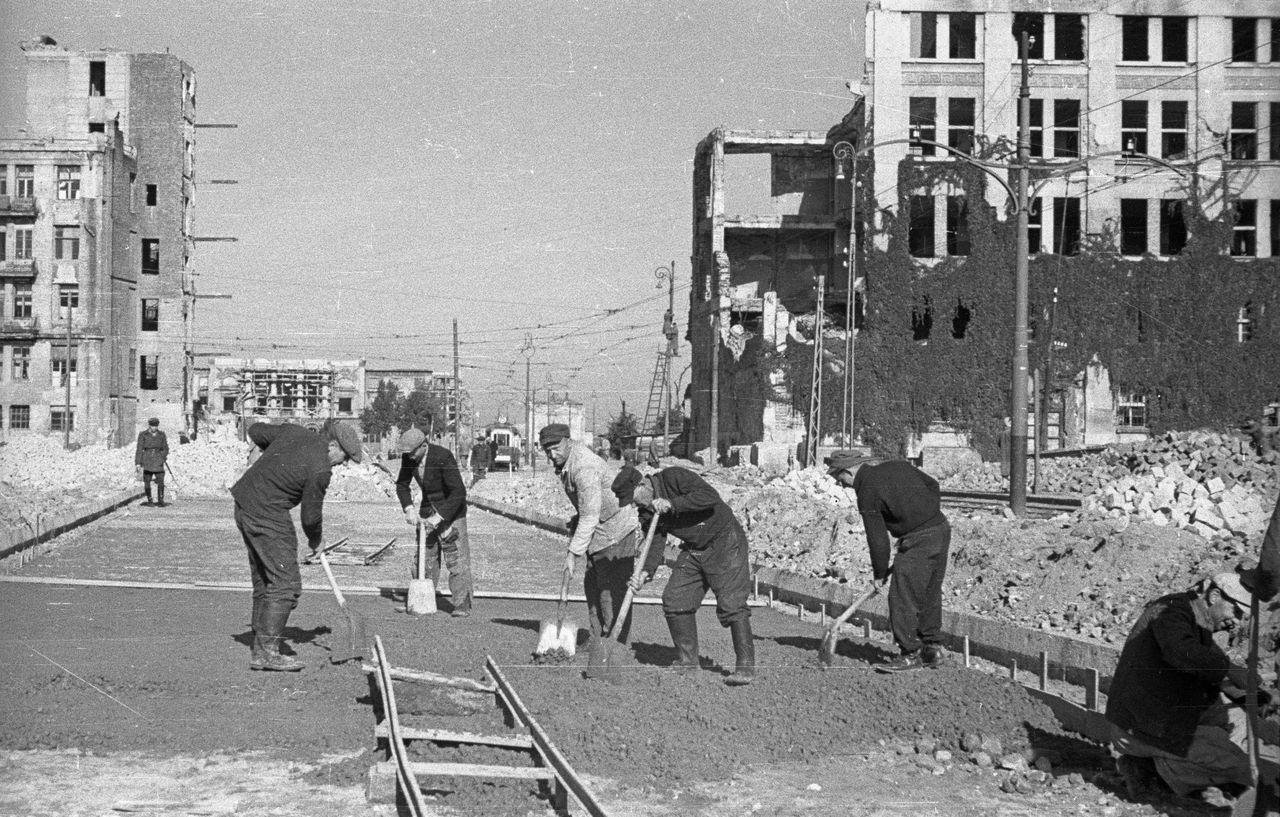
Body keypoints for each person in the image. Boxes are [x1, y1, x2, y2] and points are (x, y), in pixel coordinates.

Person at [1106, 573, 1265, 801]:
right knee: (1232, 761)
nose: (1237, 622)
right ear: (1214, 596)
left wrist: (1260, 698)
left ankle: (1168, 766)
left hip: (1159, 718)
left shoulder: (1197, 622)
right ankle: (1150, 771)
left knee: (1241, 721)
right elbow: (1180, 652)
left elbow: (1213, 671)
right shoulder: (1171, 610)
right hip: (1138, 726)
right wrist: (1230, 668)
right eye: (1236, 612)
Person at [230, 419, 363, 671]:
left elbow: (255, 430)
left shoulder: (294, 432)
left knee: (265, 578)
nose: (342, 464)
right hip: (267, 513)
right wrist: (317, 540)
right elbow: (310, 517)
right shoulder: (321, 468)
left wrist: (270, 451)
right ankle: (266, 652)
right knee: (286, 583)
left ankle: (261, 640)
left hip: (243, 503)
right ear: (333, 445)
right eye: (343, 458)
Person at [612, 463, 755, 686]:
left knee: (732, 603)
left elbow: (710, 497)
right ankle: (688, 664)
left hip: (725, 540)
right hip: (695, 548)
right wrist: (645, 573)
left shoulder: (674, 477)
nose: (634, 505)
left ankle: (745, 668)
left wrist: (672, 503)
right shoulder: (647, 511)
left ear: (642, 484)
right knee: (675, 599)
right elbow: (655, 544)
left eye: (633, 499)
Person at [827, 450, 950, 673]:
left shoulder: (866, 490)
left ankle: (910, 654)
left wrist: (879, 574)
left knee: (901, 596)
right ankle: (933, 649)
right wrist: (924, 515)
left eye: (839, 478)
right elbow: (933, 485)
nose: (841, 485)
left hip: (918, 540)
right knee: (929, 592)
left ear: (848, 470)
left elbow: (878, 539)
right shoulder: (896, 465)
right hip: (940, 528)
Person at [539, 423, 639, 643]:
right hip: (599, 531)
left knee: (609, 590)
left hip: (615, 531)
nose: (551, 454)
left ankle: (614, 644)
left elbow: (590, 516)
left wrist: (572, 554)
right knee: (592, 585)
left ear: (568, 441)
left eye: (555, 447)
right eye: (547, 450)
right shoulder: (568, 461)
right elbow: (587, 508)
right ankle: (597, 639)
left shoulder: (583, 467)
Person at [386, 426, 473, 617]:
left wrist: (439, 517)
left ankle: (462, 604)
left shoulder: (443, 456)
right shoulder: (409, 457)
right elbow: (402, 484)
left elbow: (458, 492)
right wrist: (408, 508)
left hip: (451, 513)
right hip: (427, 510)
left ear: (424, 446)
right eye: (406, 454)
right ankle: (422, 601)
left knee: (455, 559)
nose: (409, 458)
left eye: (412, 453)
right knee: (424, 558)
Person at [135, 417, 170, 507]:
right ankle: (150, 500)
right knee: (147, 482)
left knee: (161, 481)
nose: (154, 428)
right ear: (149, 425)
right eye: (152, 426)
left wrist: (162, 457)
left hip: (158, 460)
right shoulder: (143, 434)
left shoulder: (162, 434)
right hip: (147, 460)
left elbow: (166, 448)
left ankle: (161, 500)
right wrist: (138, 463)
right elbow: (139, 449)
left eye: (156, 426)